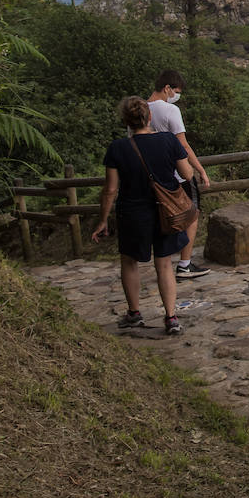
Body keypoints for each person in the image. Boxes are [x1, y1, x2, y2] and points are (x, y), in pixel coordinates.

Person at [92, 96, 195, 336]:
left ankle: (134, 313)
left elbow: (110, 189)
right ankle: (171, 317)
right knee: (164, 263)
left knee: (129, 262)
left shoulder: (118, 148)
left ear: (127, 122)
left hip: (132, 213)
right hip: (165, 212)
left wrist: (103, 220)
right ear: (149, 118)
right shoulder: (168, 140)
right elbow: (187, 174)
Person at [147, 70, 211, 280]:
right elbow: (182, 144)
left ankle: (163, 263)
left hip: (152, 176)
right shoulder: (170, 110)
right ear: (167, 88)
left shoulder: (139, 110)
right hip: (177, 173)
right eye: (177, 91)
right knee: (192, 214)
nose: (177, 96)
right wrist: (200, 169)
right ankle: (184, 264)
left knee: (161, 217)